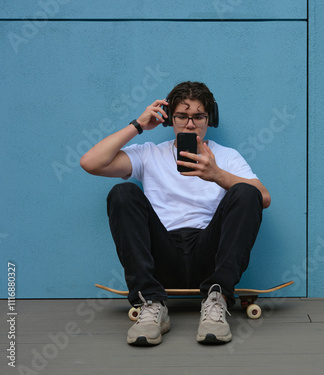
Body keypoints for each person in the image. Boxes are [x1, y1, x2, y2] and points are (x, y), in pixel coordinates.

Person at [80, 81, 271, 346]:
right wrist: (137, 125)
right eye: (182, 116)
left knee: (247, 191)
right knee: (122, 192)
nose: (190, 124)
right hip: (162, 258)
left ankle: (218, 300)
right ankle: (150, 302)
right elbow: (90, 163)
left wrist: (217, 175)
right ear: (169, 118)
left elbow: (263, 197)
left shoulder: (225, 157)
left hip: (210, 258)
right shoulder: (149, 154)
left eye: (198, 116)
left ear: (210, 119)